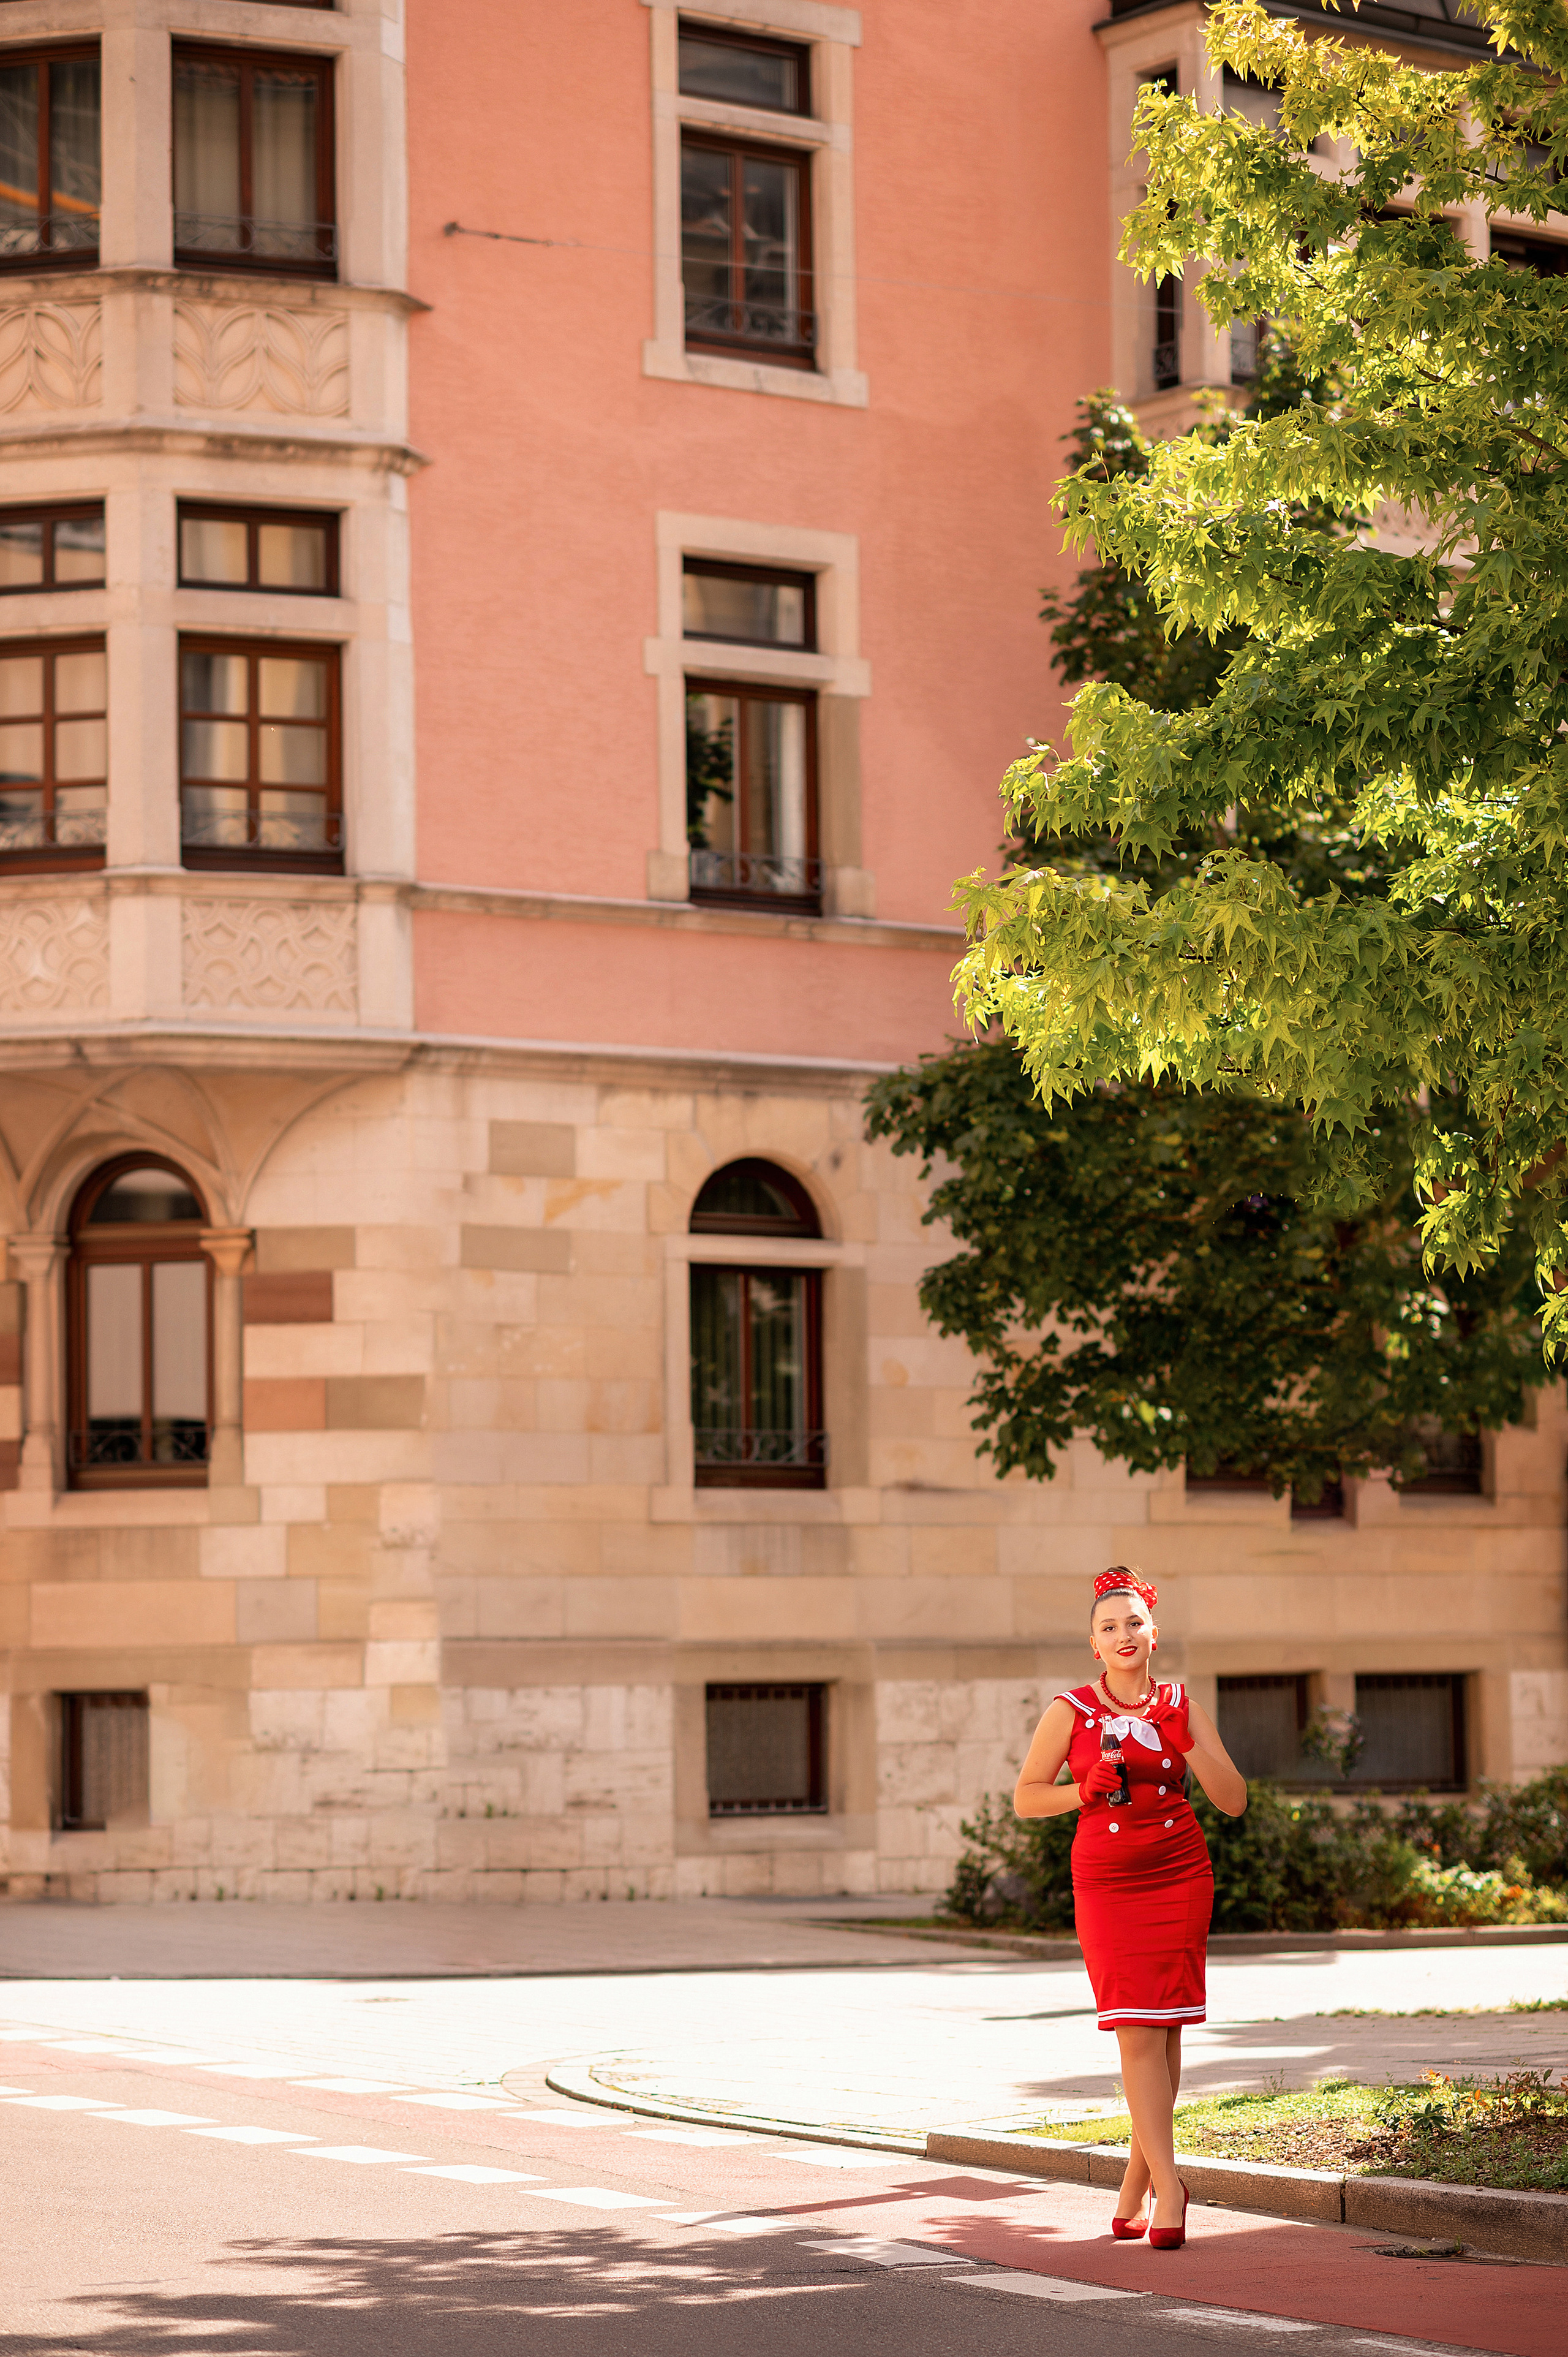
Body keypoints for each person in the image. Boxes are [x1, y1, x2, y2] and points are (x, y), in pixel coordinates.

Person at [1013, 1567, 1247, 2250]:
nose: (1123, 1634)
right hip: (1108, 1885)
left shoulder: (1180, 1704)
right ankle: (1169, 2186)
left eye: (1133, 1623)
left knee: (1165, 2029)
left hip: (1180, 1873)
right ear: (1094, 1643)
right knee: (1137, 2031)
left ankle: (1135, 2186)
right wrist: (1081, 1789)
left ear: (1153, 1633)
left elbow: (1231, 1799)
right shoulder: (1071, 1711)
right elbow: (1027, 1797)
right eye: (1108, 1626)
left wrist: (1185, 1740)